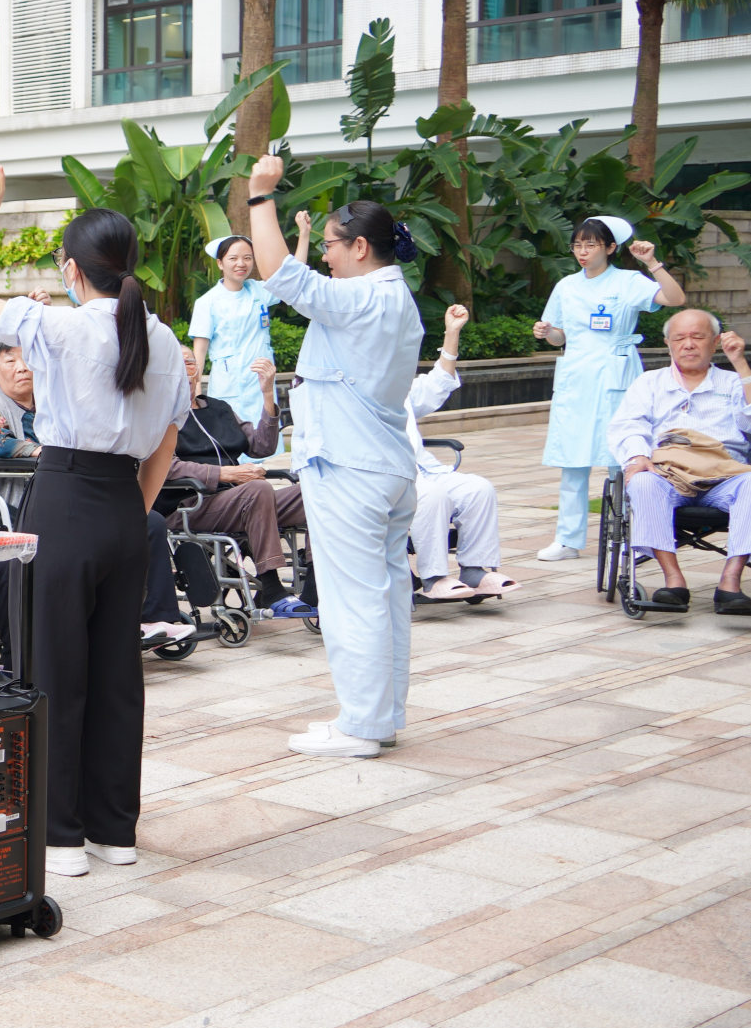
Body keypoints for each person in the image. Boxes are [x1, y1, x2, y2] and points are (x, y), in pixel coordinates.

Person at [0, 166, 190, 875]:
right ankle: (114, 831)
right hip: (123, 505)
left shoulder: (58, 325)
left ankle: (59, 835)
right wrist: (128, 512)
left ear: (70, 269)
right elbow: (168, 443)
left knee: (53, 666)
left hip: (64, 495)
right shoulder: (164, 339)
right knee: (118, 672)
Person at [244, 159, 426, 760]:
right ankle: (378, 717)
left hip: (353, 470)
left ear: (361, 247)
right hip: (380, 468)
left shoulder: (366, 297)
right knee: (385, 596)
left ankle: (362, 726)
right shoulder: (389, 296)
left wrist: (260, 197)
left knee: (355, 599)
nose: (325, 255)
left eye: (330, 245)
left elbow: (280, 274)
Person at [535, 218, 687, 563]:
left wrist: (652, 262)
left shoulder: (628, 281)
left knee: (625, 457)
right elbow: (561, 335)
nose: (583, 252)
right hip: (577, 375)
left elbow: (675, 298)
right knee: (573, 459)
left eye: (591, 245)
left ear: (610, 248)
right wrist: (547, 332)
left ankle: (636, 538)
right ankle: (568, 540)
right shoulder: (566, 286)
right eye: (577, 245)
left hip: (617, 372)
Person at [607, 309, 751, 611]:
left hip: (724, 475)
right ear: (668, 343)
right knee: (642, 480)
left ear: (715, 343)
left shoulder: (735, 381)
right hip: (668, 476)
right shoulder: (649, 382)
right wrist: (638, 456)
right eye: (680, 338)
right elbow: (628, 425)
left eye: (698, 337)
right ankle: (673, 581)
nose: (688, 344)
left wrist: (740, 363)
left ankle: (730, 582)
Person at [167, 347, 313, 619]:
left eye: (189, 362)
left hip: (241, 499)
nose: (184, 369)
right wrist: (227, 474)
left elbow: (262, 445)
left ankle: (314, 586)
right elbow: (167, 467)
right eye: (176, 362)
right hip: (191, 505)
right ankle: (270, 585)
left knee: (314, 490)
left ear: (197, 371)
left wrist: (267, 395)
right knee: (257, 490)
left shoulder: (220, 408)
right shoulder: (161, 415)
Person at [408, 305, 520, 601]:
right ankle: (433, 578)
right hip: (388, 476)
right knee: (432, 496)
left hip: (424, 470)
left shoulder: (397, 387)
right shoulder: (352, 391)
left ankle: (474, 571)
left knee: (478, 488)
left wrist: (452, 333)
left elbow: (438, 382)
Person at [189, 234, 276, 431]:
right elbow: (199, 354)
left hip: (261, 385)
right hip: (228, 387)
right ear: (220, 263)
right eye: (233, 258)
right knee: (231, 443)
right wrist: (195, 395)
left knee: (265, 443)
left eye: (247, 257)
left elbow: (292, 278)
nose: (241, 263)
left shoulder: (259, 290)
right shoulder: (207, 302)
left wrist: (304, 236)